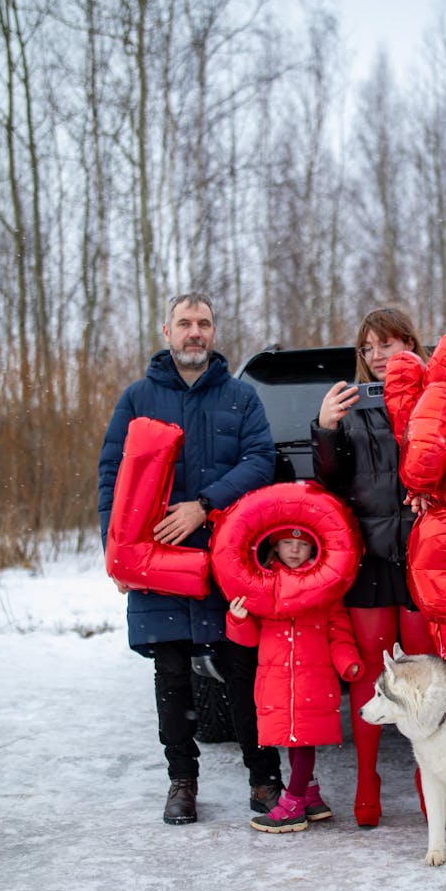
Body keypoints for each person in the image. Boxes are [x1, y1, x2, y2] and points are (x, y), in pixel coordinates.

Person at [98, 292, 283, 826]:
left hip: (229, 560)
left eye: (203, 323)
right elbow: (111, 475)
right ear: (167, 331)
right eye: (184, 323)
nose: (194, 332)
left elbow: (261, 460)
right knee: (172, 676)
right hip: (158, 560)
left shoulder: (240, 397)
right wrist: (115, 554)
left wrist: (204, 504)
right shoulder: (138, 398)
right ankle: (182, 782)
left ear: (214, 332)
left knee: (242, 672)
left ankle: (264, 778)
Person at [311, 305, 435, 827]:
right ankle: (367, 778)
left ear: (410, 342)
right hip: (369, 553)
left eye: (387, 343)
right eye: (368, 347)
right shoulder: (350, 403)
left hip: (426, 551)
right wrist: (325, 428)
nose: (378, 355)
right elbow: (332, 479)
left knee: (421, 671)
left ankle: (429, 776)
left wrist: (435, 491)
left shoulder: (437, 397)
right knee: (369, 667)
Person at [226, 526, 363, 832]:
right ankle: (310, 795)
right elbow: (249, 638)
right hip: (277, 680)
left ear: (314, 549)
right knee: (293, 738)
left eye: (302, 544)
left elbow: (338, 630)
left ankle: (294, 804)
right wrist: (238, 619)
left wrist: (348, 661)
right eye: (287, 542)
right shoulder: (263, 584)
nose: (294, 550)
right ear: (275, 547)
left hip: (312, 680)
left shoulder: (325, 587)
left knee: (303, 742)